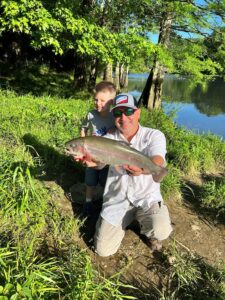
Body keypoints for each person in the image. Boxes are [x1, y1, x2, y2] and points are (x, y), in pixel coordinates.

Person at [75, 93, 173, 255]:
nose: (123, 117)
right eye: (118, 112)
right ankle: (130, 220)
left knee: (161, 230)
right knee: (102, 251)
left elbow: (158, 160)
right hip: (117, 200)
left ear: (138, 112)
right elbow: (100, 164)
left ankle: (149, 231)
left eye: (128, 112)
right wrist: (92, 164)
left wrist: (143, 170)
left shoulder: (153, 135)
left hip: (145, 199)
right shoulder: (107, 138)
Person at [80, 81, 116, 216]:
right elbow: (83, 129)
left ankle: (105, 203)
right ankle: (88, 202)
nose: (98, 103)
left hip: (107, 156)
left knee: (106, 179)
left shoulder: (114, 117)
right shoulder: (91, 115)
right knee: (90, 180)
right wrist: (82, 144)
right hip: (91, 154)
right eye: (96, 100)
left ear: (111, 102)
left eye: (102, 100)